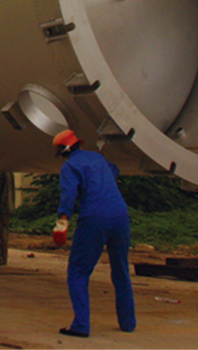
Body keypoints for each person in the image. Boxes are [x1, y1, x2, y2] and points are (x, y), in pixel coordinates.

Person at [53, 129, 136, 338]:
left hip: (94, 218)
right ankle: (128, 323)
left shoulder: (70, 166)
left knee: (78, 272)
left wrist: (62, 221)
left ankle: (81, 326)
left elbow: (69, 194)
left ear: (62, 152)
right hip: (120, 216)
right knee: (121, 271)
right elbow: (115, 170)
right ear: (79, 144)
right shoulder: (97, 158)